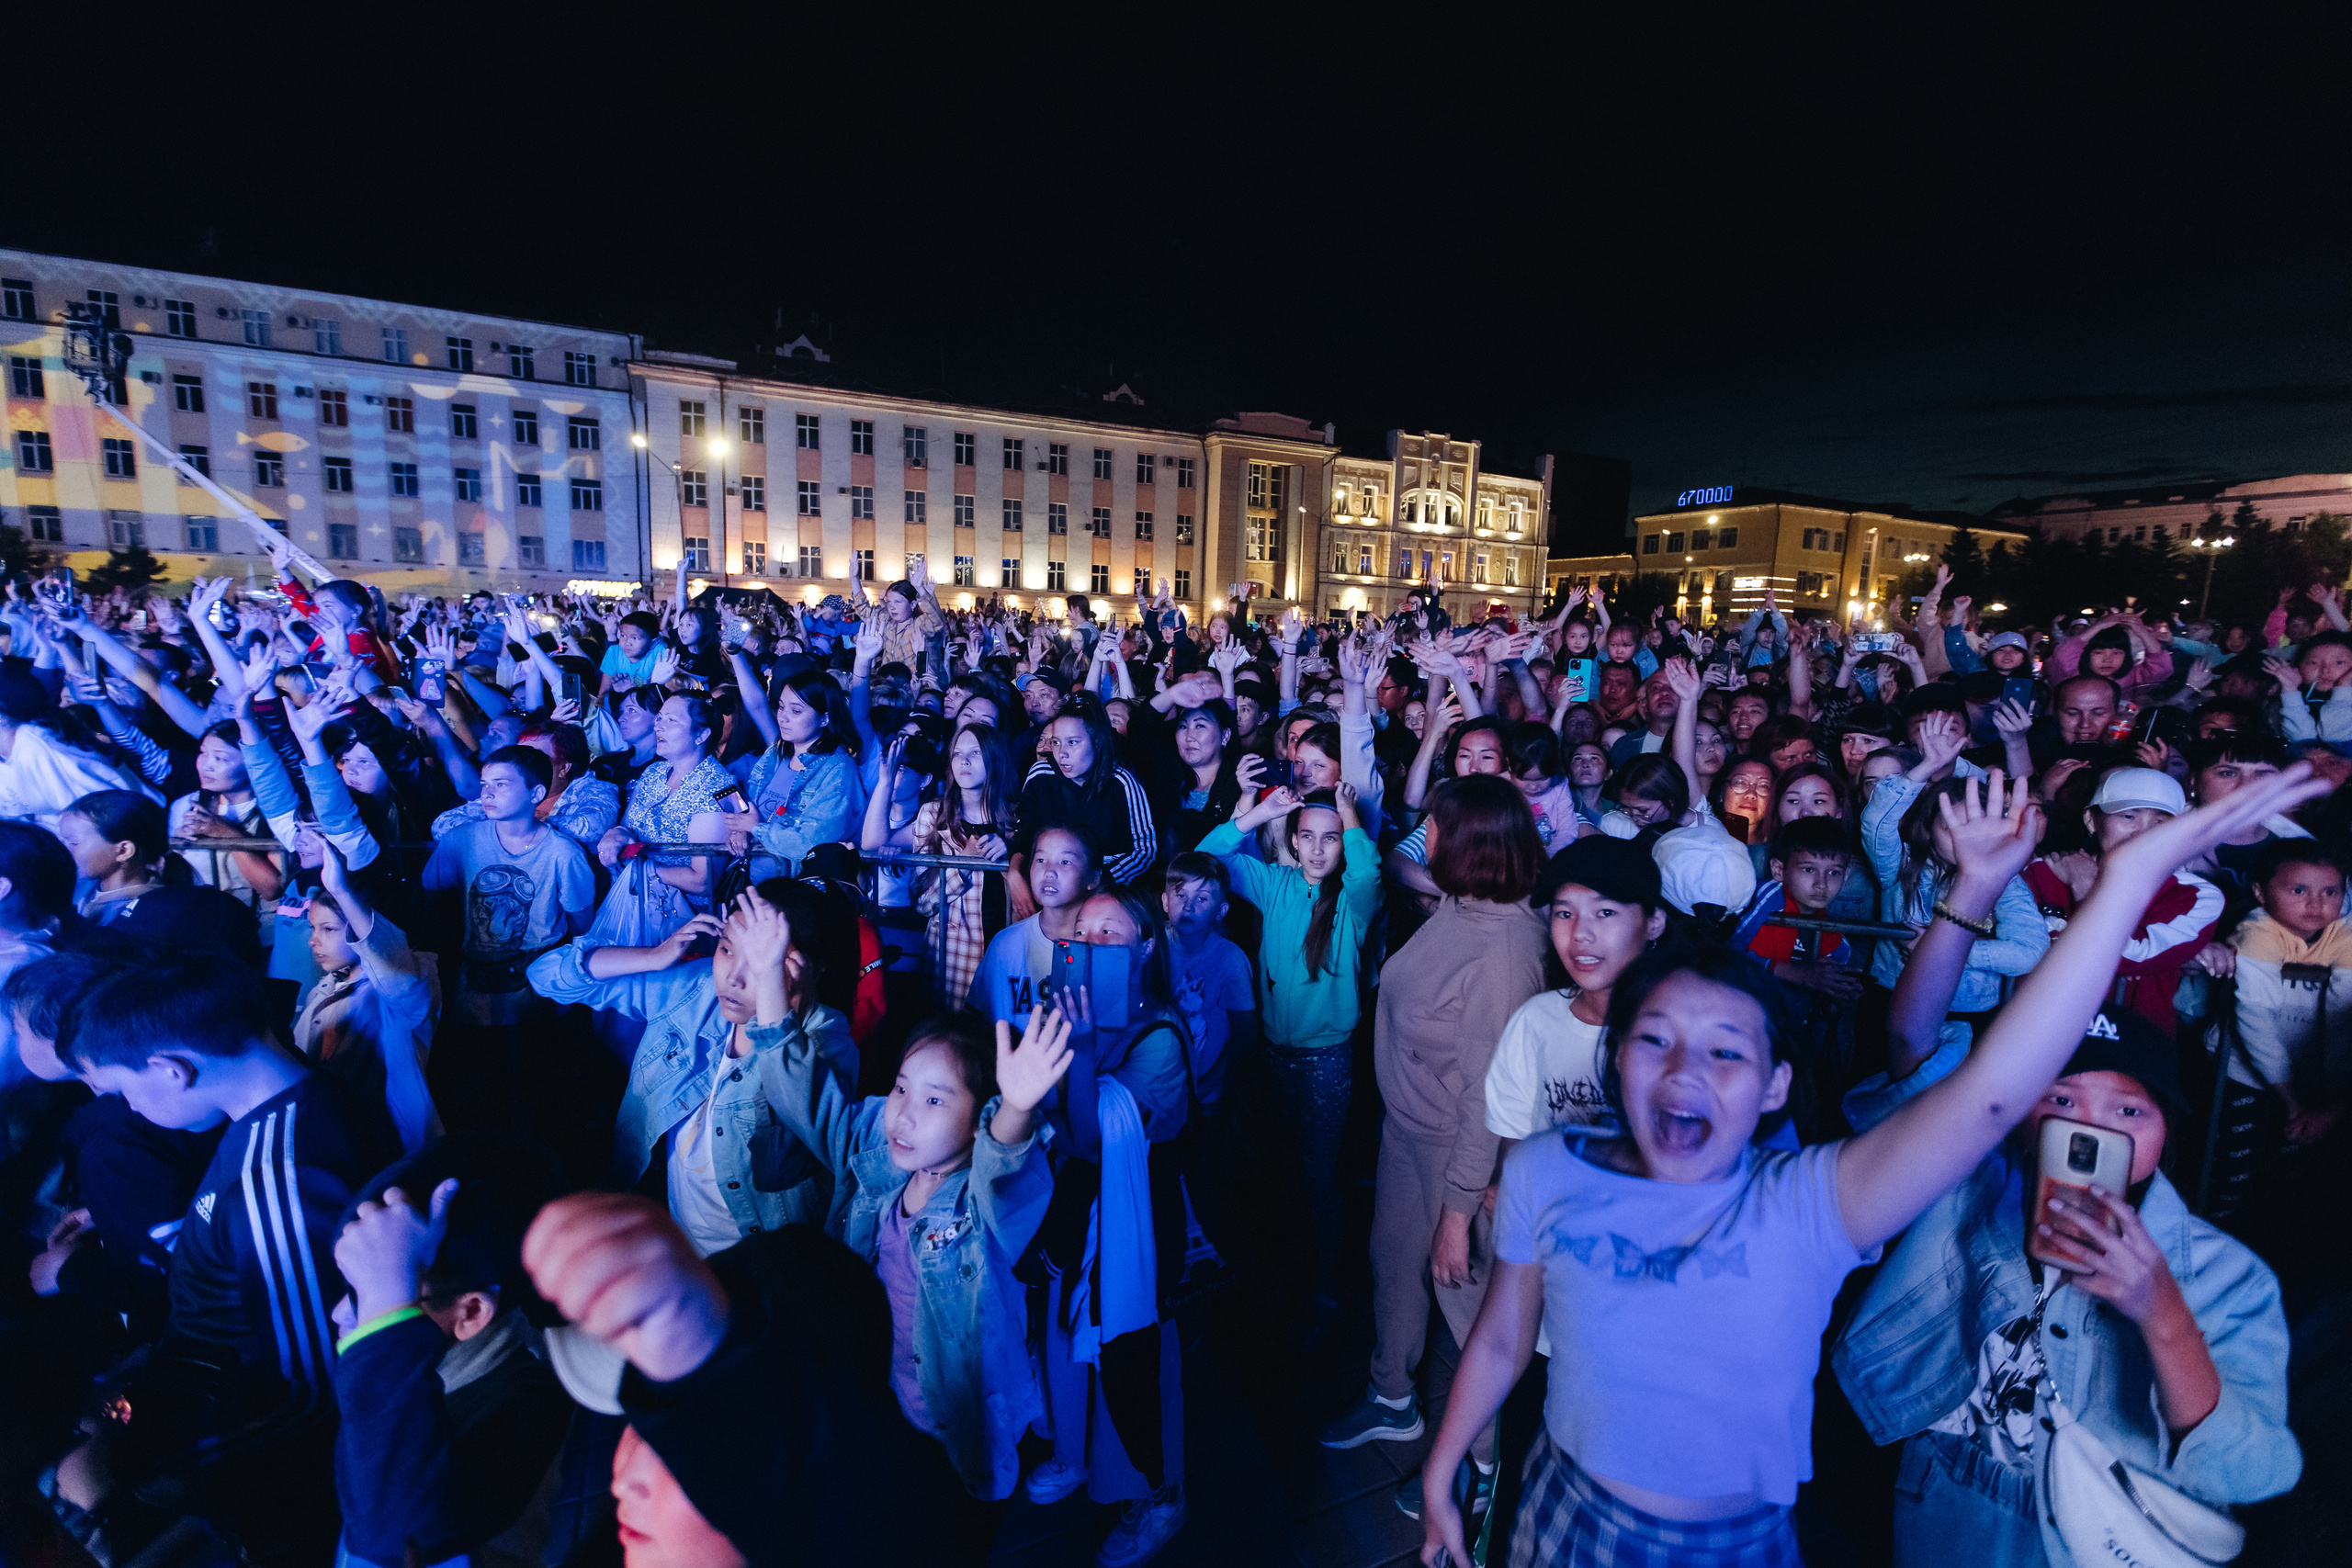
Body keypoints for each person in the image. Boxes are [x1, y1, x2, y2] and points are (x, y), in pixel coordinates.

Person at [1416, 766, 2326, 1568]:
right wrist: (1444, 1461)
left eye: (1725, 1053)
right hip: (1561, 1503)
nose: (1685, 1071)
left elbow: (1992, 1096)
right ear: (1616, 1058)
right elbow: (1501, 1338)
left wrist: (2121, 884)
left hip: (1728, 1542)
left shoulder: (1807, 1204)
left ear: (1775, 1087)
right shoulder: (1547, 1167)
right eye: (1653, 1040)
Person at [1835, 841, 2301, 1568]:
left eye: (2128, 1112)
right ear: (2012, 1114)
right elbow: (1909, 1042)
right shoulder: (1965, 1186)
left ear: (2166, 1136)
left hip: (2096, 1531)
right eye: (2058, 1099)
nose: (2087, 1128)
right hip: (1945, 1500)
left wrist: (2162, 1311)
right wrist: (1978, 886)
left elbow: (2253, 1473)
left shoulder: (2223, 1273)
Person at [63, 951, 401, 1566]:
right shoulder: (288, 1102)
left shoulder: (278, 1173)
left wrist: (128, 1463)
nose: (129, 1109)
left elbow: (307, 1392)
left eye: (123, 1090)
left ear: (170, 1069)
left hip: (248, 1466)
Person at [748, 878, 1070, 1507]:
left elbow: (1004, 1167)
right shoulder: (877, 1150)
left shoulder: (982, 1200)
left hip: (952, 1420)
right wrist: (767, 980)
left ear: (980, 1116)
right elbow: (802, 1097)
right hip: (872, 1392)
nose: (903, 1113)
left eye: (934, 1099)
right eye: (900, 1087)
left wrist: (1019, 1110)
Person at [523, 1192, 967, 1568]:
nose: (623, 1483)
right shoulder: (615, 1545)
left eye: (688, 1446)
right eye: (645, 1419)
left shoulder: (882, 1522)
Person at [1327, 776, 1547, 1529]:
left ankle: (1484, 1469)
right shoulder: (1461, 905)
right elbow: (1399, 862)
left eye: (1439, 826)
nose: (1428, 836)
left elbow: (1489, 1096)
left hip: (1457, 1153)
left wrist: (1459, 1209)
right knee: (1393, 1266)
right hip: (1405, 1130)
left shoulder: (1508, 950)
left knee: (1467, 1311)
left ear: (1474, 843)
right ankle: (1393, 1399)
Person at [526, 881, 859, 1253]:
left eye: (764, 962)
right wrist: (655, 955)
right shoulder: (696, 989)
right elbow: (546, 977)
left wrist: (775, 994)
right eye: (728, 950)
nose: (734, 977)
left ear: (809, 970)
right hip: (676, 1240)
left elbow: (798, 1140)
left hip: (763, 1257)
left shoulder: (825, 1036)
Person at [330, 1135, 574, 1568]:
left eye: (379, 1295)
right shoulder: (427, 1365)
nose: (341, 1315)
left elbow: (393, 1533)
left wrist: (386, 1299)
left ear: (472, 1311)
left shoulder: (527, 1400)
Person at [1196, 784, 1379, 1336]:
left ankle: (1324, 1284)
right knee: (1277, 1170)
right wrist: (1259, 813)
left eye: (1331, 839)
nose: (1320, 850)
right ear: (1293, 844)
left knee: (1319, 1176)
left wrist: (1348, 815)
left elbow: (1368, 872)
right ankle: (1283, 1273)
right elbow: (1209, 859)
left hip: (1327, 1061)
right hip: (1275, 1056)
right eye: (1308, 838)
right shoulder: (1274, 884)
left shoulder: (1352, 901)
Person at [424, 746, 596, 1132]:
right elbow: (433, 898)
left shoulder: (562, 854)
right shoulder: (461, 841)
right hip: (473, 979)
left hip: (536, 979)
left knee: (531, 1092)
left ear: (536, 794)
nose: (487, 794)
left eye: (501, 785)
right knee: (471, 1092)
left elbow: (583, 929)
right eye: (484, 785)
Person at [2198, 840, 2352, 1230]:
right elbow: (2256, 1020)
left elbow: (2341, 1023)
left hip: (2313, 1075)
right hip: (2243, 1070)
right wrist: (2290, 1099)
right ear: (2261, 893)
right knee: (2233, 1164)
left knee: (2293, 1167)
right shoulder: (2258, 933)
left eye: (2330, 892)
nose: (2315, 904)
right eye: (2298, 890)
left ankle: (2277, 1246)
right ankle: (2217, 1235)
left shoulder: (2344, 938)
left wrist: (2327, 1103)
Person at [1484, 837, 1668, 1147]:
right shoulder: (1536, 1020)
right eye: (1565, 914)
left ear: (1654, 923)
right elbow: (1514, 1143)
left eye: (1605, 912)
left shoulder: (1685, 1034)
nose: (1580, 934)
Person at [2022, 767, 2222, 1033]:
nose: (2142, 833)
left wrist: (2086, 888)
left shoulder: (2194, 895)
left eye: (2162, 822)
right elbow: (2015, 957)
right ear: (2092, 821)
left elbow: (2128, 957)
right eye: (2129, 816)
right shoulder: (2040, 873)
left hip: (2132, 1046)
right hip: (2031, 1036)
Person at [596, 693, 735, 942]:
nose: (658, 726)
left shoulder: (715, 787)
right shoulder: (654, 772)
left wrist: (642, 867)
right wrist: (615, 833)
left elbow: (703, 881)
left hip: (683, 921)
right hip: (634, 901)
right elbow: (627, 827)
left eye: (671, 720)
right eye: (659, 718)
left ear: (701, 735)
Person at [728, 665, 866, 879]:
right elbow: (750, 808)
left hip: (800, 892)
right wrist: (739, 830)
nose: (783, 717)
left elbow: (813, 845)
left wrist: (757, 828)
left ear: (824, 718)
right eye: (781, 707)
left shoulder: (838, 771)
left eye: (796, 711)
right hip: (755, 883)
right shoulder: (775, 754)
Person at [1012, 694, 1158, 896]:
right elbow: (1024, 835)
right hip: (1052, 891)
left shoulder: (1122, 783)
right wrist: (1015, 872)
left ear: (1096, 743)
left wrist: (1098, 882)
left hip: (1108, 895)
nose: (1062, 753)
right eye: (1056, 742)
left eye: (1072, 742)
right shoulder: (1040, 775)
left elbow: (1144, 851)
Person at [970, 824, 1100, 1029]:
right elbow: (978, 1024)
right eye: (1040, 860)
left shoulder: (1102, 947)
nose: (1049, 872)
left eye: (1065, 861)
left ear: (1093, 878)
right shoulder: (1005, 944)